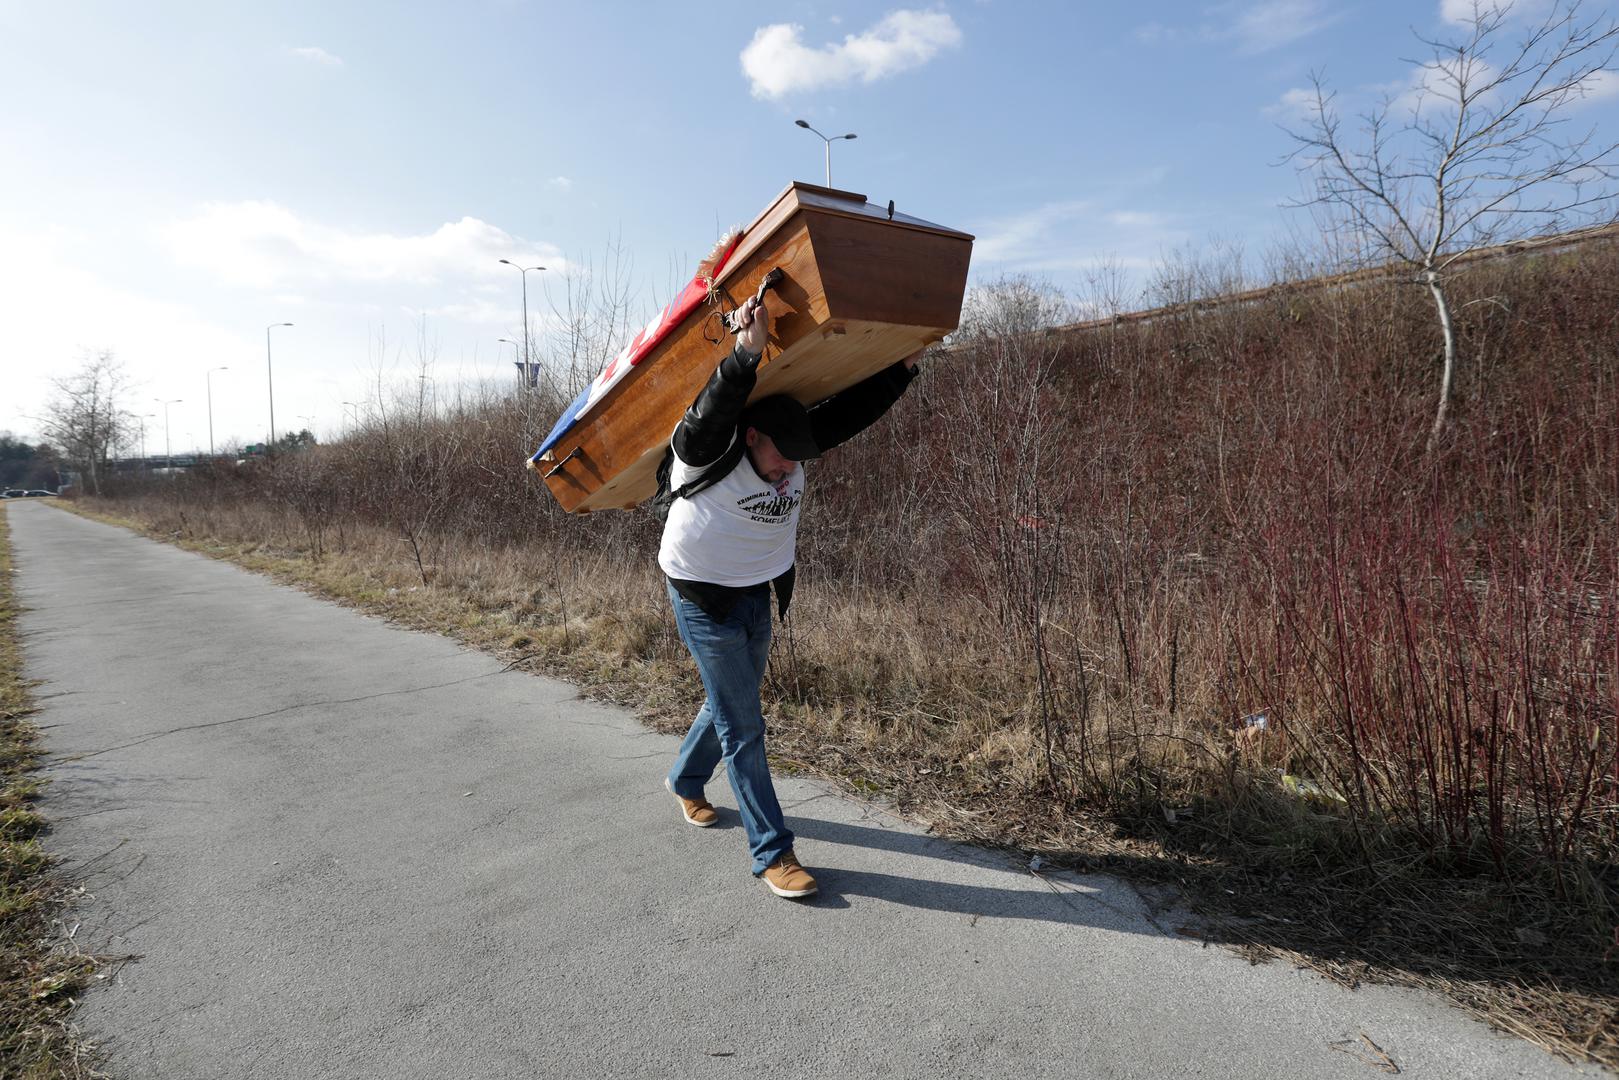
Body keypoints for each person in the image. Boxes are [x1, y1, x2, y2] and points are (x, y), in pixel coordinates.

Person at [658, 294, 921, 898]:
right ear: (752, 438)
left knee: (733, 703)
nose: (786, 475)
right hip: (703, 596)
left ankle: (684, 778)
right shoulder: (706, 450)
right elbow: (708, 409)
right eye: (777, 464)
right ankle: (773, 854)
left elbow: (852, 414)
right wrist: (747, 352)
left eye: (793, 467)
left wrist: (902, 370)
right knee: (744, 725)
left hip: (756, 590)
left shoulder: (793, 441)